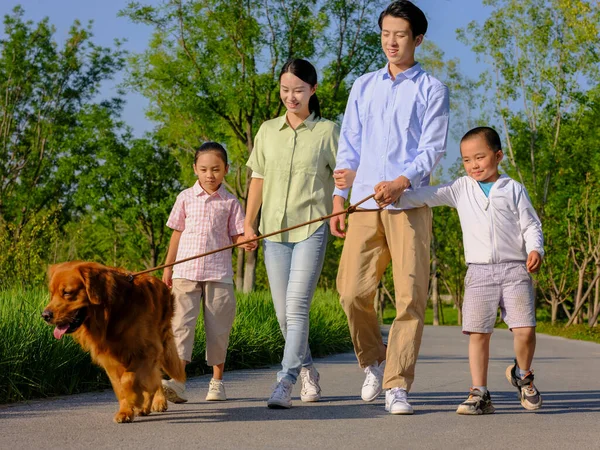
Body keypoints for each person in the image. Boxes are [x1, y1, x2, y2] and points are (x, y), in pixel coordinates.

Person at [330, 0, 449, 415]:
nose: (391, 42)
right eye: (385, 34)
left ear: (417, 39)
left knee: (409, 298)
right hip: (363, 202)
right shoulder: (364, 84)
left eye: (400, 34)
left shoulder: (432, 89)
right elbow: (349, 143)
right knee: (350, 291)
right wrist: (338, 198)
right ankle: (374, 361)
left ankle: (397, 383)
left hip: (409, 203)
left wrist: (402, 181)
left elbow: (432, 148)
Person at [396, 126, 544, 414]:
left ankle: (523, 375)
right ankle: (479, 393)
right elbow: (426, 195)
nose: (473, 165)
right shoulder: (460, 188)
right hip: (479, 273)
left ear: (498, 156)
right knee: (479, 333)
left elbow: (530, 224)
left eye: (480, 157)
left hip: (515, 269)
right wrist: (394, 196)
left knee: (525, 330)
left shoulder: (513, 188)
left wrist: (535, 249)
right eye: (466, 160)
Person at [244, 58, 339, 409]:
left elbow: (344, 175)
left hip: (311, 228)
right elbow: (258, 179)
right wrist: (247, 224)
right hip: (272, 231)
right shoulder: (268, 131)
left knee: (297, 307)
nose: (291, 96)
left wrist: (341, 202)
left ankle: (284, 379)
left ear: (313, 90)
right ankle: (308, 370)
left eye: (298, 90)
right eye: (285, 90)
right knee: (283, 314)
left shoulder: (328, 131)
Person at [161, 142, 252, 403]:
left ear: (226, 170)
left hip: (218, 274)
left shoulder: (231, 202)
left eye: (215, 169)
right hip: (185, 272)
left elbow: (237, 237)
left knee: (218, 329)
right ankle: (178, 382)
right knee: (180, 327)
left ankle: (217, 382)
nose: (209, 175)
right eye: (203, 169)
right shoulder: (184, 198)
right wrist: (168, 267)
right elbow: (176, 234)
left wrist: (245, 242)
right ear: (195, 170)